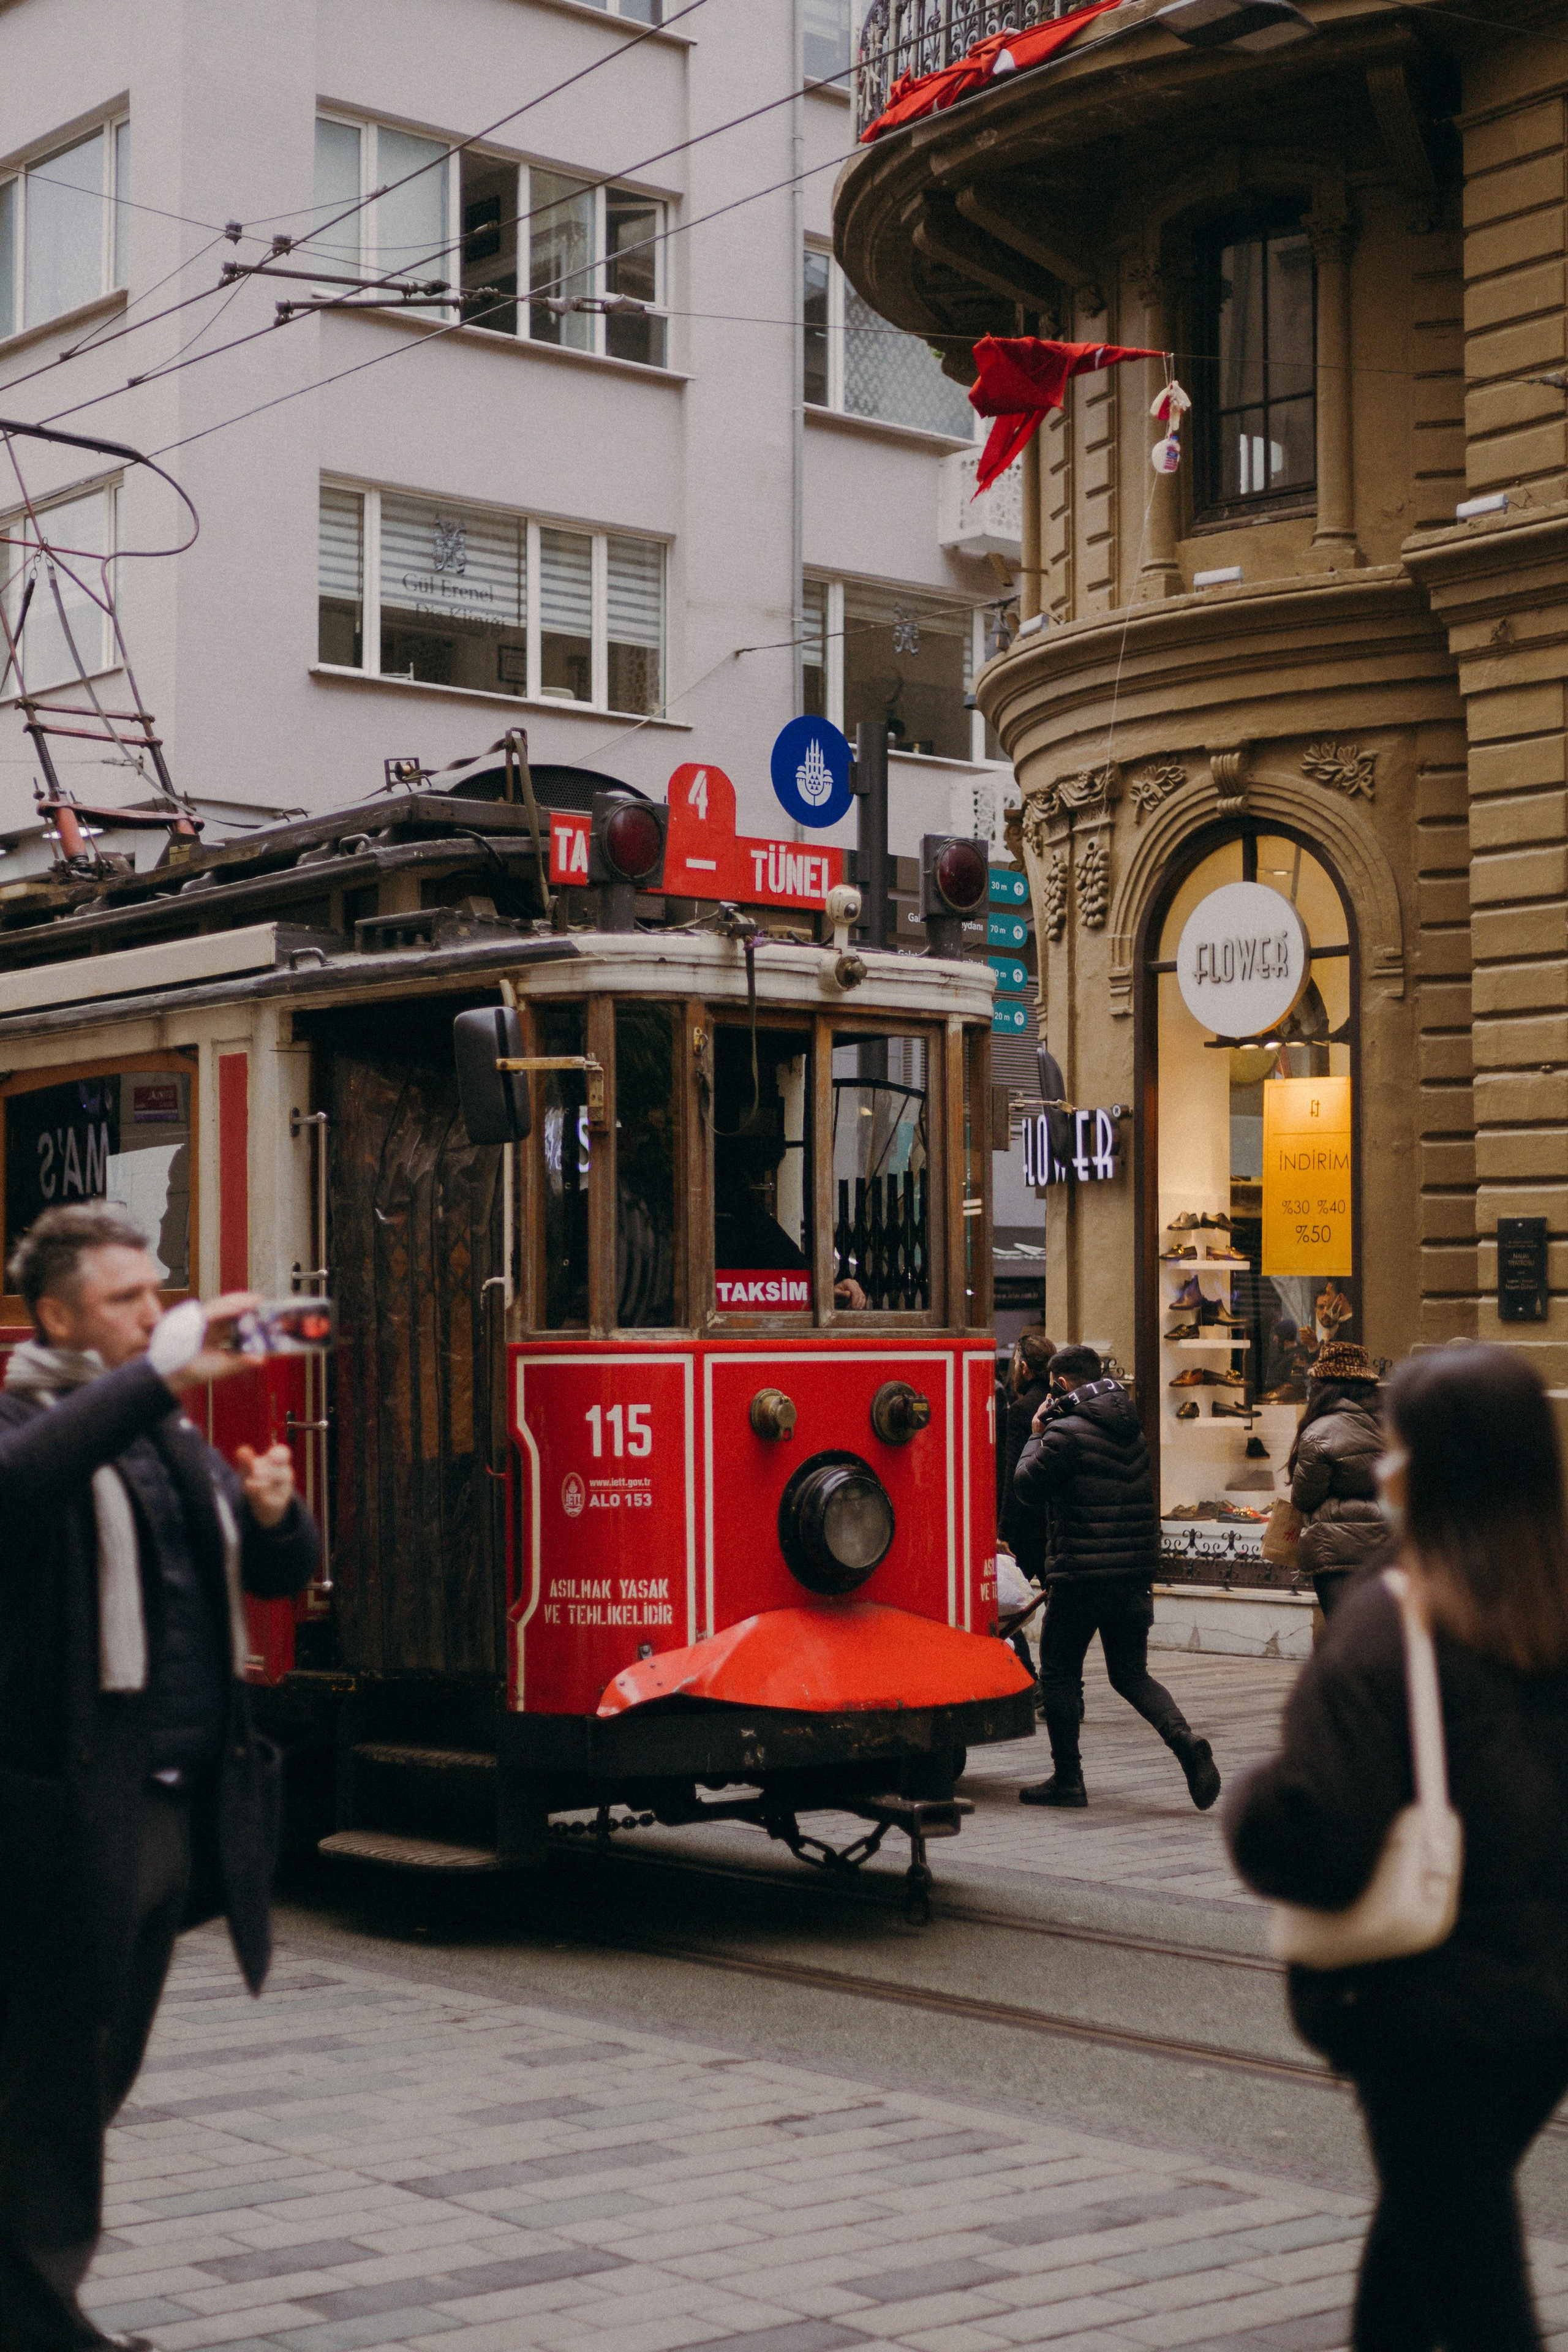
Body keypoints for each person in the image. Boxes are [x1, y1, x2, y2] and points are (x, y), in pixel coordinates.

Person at [0, 1205, 321, 2352]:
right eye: (128, 1299)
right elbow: (22, 1485)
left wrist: (279, 1519)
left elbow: (260, 1569)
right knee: (48, 2094)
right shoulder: (33, 1417)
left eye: (160, 1290)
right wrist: (162, 1375)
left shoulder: (162, 1432)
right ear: (55, 1317)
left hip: (172, 1800)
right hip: (67, 1818)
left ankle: (35, 2304)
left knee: (91, 2081)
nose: (157, 1311)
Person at [1226, 1343, 1568, 2352]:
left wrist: (1249, 1800)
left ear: (1426, 1467)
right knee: (1420, 2248)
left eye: (1401, 1445)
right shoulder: (1551, 1609)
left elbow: (1318, 1835)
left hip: (1427, 2010)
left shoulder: (1394, 1623)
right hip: (1548, 2004)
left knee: (1475, 2287)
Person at [1011, 1344, 1220, 1811]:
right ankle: (1184, 1739)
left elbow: (1026, 1487)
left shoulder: (1062, 1433)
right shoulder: (1131, 1429)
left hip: (1081, 1575)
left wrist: (1034, 1434)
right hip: (1131, 1574)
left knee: (1061, 1674)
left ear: (1062, 1385)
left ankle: (1069, 1780)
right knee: (1131, 1674)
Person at [1287, 1340, 1391, 1621]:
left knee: (1344, 1632)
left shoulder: (1319, 1433)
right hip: (1387, 1546)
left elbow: (1304, 1498)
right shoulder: (1393, 1425)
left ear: (1324, 1386)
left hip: (1335, 1554)